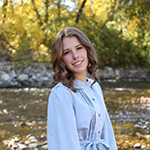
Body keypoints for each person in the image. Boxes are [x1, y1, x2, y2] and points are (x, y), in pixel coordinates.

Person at [47, 27, 117, 150]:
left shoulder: (95, 87)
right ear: (61, 59)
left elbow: (107, 132)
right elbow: (63, 143)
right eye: (67, 52)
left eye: (79, 48)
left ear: (87, 50)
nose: (75, 56)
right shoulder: (60, 93)